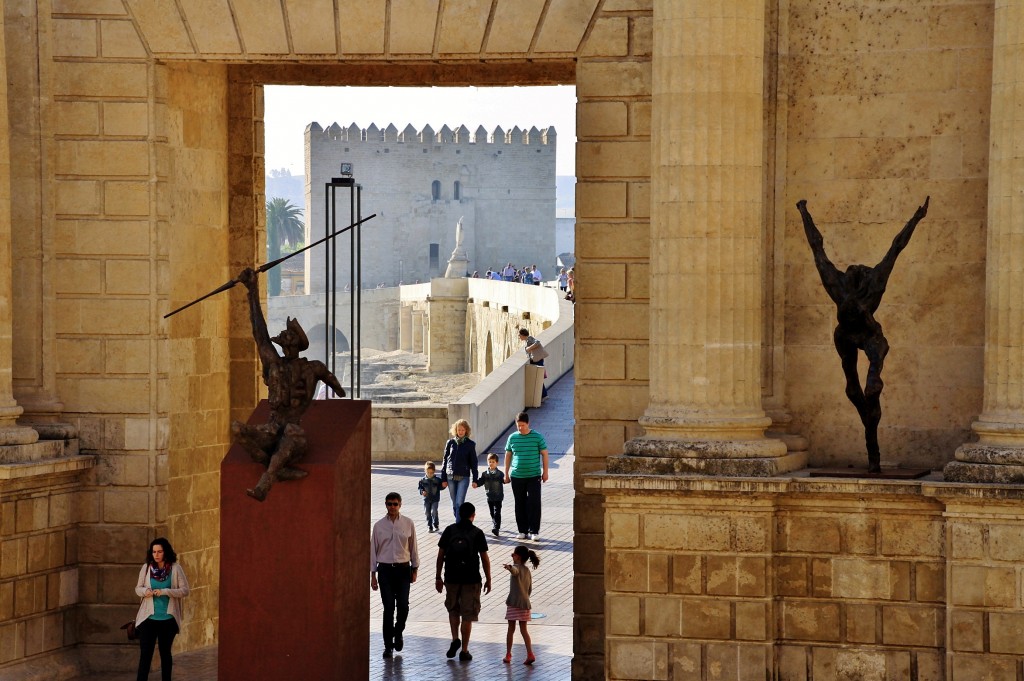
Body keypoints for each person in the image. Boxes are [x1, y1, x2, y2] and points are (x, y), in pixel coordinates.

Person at [797, 197, 929, 473]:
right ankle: (867, 396)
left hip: (866, 334)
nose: (857, 268)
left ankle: (873, 377)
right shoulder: (853, 285)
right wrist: (804, 213)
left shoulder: (859, 284)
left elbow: (895, 247)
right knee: (856, 388)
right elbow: (817, 247)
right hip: (847, 335)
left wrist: (916, 220)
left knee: (877, 351)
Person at [231, 267, 345, 501]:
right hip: (272, 428)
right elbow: (259, 334)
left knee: (291, 434)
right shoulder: (274, 364)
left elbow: (335, 385)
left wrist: (337, 389)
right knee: (237, 429)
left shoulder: (313, 368)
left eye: (286, 334)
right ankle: (277, 468)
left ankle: (265, 482)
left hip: (294, 432)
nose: (282, 335)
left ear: (293, 343)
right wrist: (252, 290)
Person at [435, 502, 492, 662]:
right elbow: (484, 558)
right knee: (468, 614)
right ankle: (464, 650)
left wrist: (438, 577)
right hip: (471, 579)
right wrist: (488, 578)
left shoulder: (449, 530)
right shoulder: (477, 533)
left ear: (459, 514)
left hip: (451, 578)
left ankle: (455, 639)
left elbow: (440, 555)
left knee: (453, 610)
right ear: (473, 515)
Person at [370, 492, 420, 658]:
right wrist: (373, 575)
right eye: (389, 504)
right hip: (385, 570)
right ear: (385, 505)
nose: (392, 507)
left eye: (395, 504)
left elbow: (413, 547)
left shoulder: (408, 523)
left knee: (403, 606)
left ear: (400, 505)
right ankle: (387, 646)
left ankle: (398, 632)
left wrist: (415, 569)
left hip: (403, 570)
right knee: (388, 608)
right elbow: (373, 551)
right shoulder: (378, 526)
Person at [134, 537, 190, 681]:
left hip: (168, 619)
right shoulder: (146, 568)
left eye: (159, 551)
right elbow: (137, 588)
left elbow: (185, 590)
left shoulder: (175, 568)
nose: (156, 555)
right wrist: (145, 591)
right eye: (154, 552)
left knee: (165, 654)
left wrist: (165, 591)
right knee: (145, 655)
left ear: (166, 552)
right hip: (148, 619)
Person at [504, 412, 549, 540]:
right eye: (518, 425)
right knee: (520, 503)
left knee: (534, 503)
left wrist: (545, 472)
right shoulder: (512, 438)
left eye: (523, 425)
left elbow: (545, 454)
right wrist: (506, 473)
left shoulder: (537, 437)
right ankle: (522, 530)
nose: (520, 428)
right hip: (517, 476)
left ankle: (534, 530)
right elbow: (508, 455)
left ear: (528, 423)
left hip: (534, 476)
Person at [503, 545, 540, 665]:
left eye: (513, 554)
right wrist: (526, 597)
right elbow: (530, 588)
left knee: (511, 629)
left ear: (517, 557)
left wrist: (509, 568)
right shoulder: (527, 570)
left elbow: (515, 571)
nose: (512, 556)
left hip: (514, 603)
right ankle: (530, 653)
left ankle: (508, 654)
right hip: (525, 603)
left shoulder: (516, 567)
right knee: (524, 630)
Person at [441, 419, 479, 522]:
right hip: (450, 476)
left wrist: (475, 479)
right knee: (454, 504)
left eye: (463, 430)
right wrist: (443, 478)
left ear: (466, 431)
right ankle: (460, 520)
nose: (460, 432)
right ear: (455, 430)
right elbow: (445, 460)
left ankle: (458, 526)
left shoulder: (470, 444)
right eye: (459, 430)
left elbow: (474, 463)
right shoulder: (450, 443)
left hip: (463, 477)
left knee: (459, 503)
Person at [475, 452, 506, 537]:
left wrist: (506, 480)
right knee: (492, 512)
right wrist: (476, 484)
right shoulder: (485, 474)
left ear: (497, 463)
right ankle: (495, 523)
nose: (491, 463)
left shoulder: (500, 474)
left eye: (493, 462)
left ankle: (496, 528)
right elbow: (481, 481)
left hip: (498, 496)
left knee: (497, 512)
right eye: (490, 461)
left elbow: (503, 480)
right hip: (489, 496)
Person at [519, 328, 549, 400]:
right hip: (536, 360)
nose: (519, 337)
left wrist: (528, 348)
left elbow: (537, 342)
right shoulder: (527, 340)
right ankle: (542, 396)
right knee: (538, 378)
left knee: (538, 378)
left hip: (537, 360)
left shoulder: (530, 338)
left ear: (523, 335)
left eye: (520, 335)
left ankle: (544, 395)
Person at [418, 461, 443, 532]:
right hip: (426, 499)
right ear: (425, 471)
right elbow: (420, 488)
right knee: (427, 512)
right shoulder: (422, 480)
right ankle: (429, 526)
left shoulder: (437, 480)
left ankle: (436, 524)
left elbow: (441, 487)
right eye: (428, 472)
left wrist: (444, 485)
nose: (430, 474)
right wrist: (422, 491)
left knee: (434, 511)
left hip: (435, 499)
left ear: (434, 471)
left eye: (431, 473)